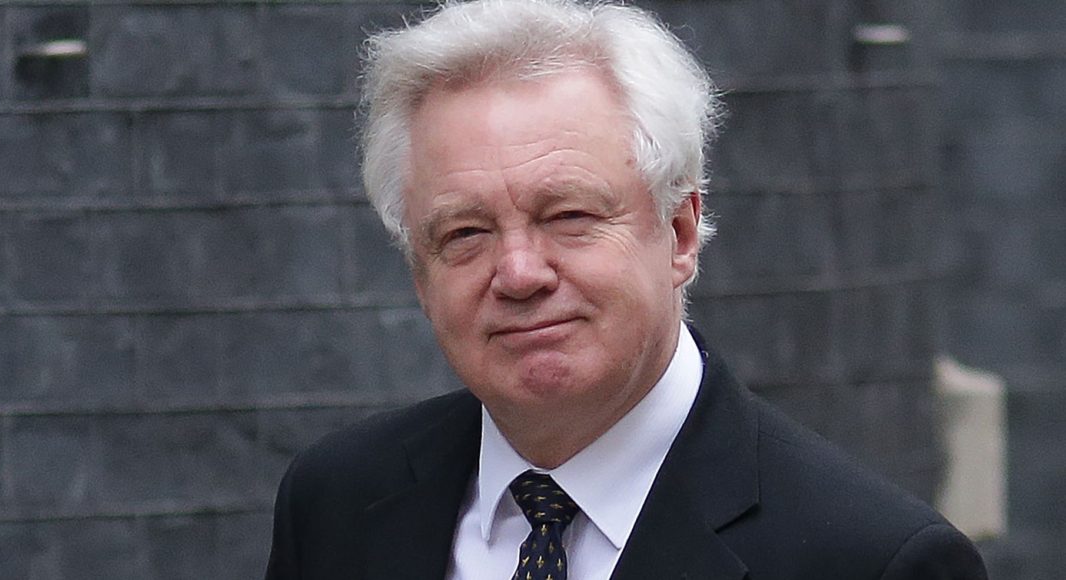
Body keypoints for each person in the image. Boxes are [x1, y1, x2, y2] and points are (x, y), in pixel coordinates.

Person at [265, 0, 988, 578]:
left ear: (679, 232)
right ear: (420, 276)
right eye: (465, 233)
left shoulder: (871, 560)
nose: (519, 274)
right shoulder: (337, 505)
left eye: (568, 217)